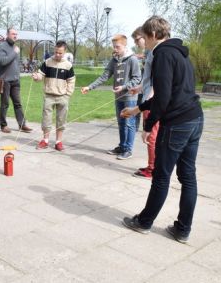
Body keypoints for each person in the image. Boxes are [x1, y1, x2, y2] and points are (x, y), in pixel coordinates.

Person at [121, 16, 204, 243]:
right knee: (188, 177)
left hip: (177, 123)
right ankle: (182, 230)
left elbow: (163, 97)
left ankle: (144, 222)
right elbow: (173, 92)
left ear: (154, 35)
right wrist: (138, 108)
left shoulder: (162, 55)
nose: (145, 43)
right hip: (195, 118)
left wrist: (148, 125)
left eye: (145, 38)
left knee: (161, 175)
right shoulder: (180, 53)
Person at [81, 34, 141, 160]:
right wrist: (89, 87)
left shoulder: (132, 59)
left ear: (125, 46)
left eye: (117, 46)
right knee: (121, 122)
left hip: (129, 97)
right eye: (113, 46)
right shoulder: (114, 60)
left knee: (129, 123)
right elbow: (104, 76)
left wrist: (124, 87)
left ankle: (128, 150)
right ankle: (122, 146)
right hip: (118, 97)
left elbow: (137, 79)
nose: (115, 49)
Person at [32, 40, 75, 151]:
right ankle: (45, 141)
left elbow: (71, 80)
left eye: (60, 53)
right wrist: (37, 77)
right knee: (46, 119)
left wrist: (68, 94)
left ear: (64, 52)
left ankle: (58, 142)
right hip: (49, 96)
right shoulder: (47, 62)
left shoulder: (68, 65)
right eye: (56, 52)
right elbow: (41, 75)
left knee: (61, 120)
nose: (57, 54)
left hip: (62, 97)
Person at [130, 27, 158, 179]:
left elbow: (157, 81)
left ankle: (153, 169)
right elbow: (149, 79)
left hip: (151, 101)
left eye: (138, 39)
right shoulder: (150, 53)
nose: (138, 43)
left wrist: (148, 100)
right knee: (152, 137)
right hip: (148, 97)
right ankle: (152, 166)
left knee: (150, 136)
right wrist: (139, 88)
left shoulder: (155, 53)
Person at [0, 28, 32, 134]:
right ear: (7, 34)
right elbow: (3, 62)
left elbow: (15, 64)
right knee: (5, 104)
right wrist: (14, 53)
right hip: (5, 80)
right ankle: (4, 125)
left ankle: (22, 124)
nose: (15, 36)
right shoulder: (2, 47)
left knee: (18, 103)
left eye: (16, 34)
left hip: (15, 81)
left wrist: (18, 76)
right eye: (13, 34)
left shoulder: (15, 47)